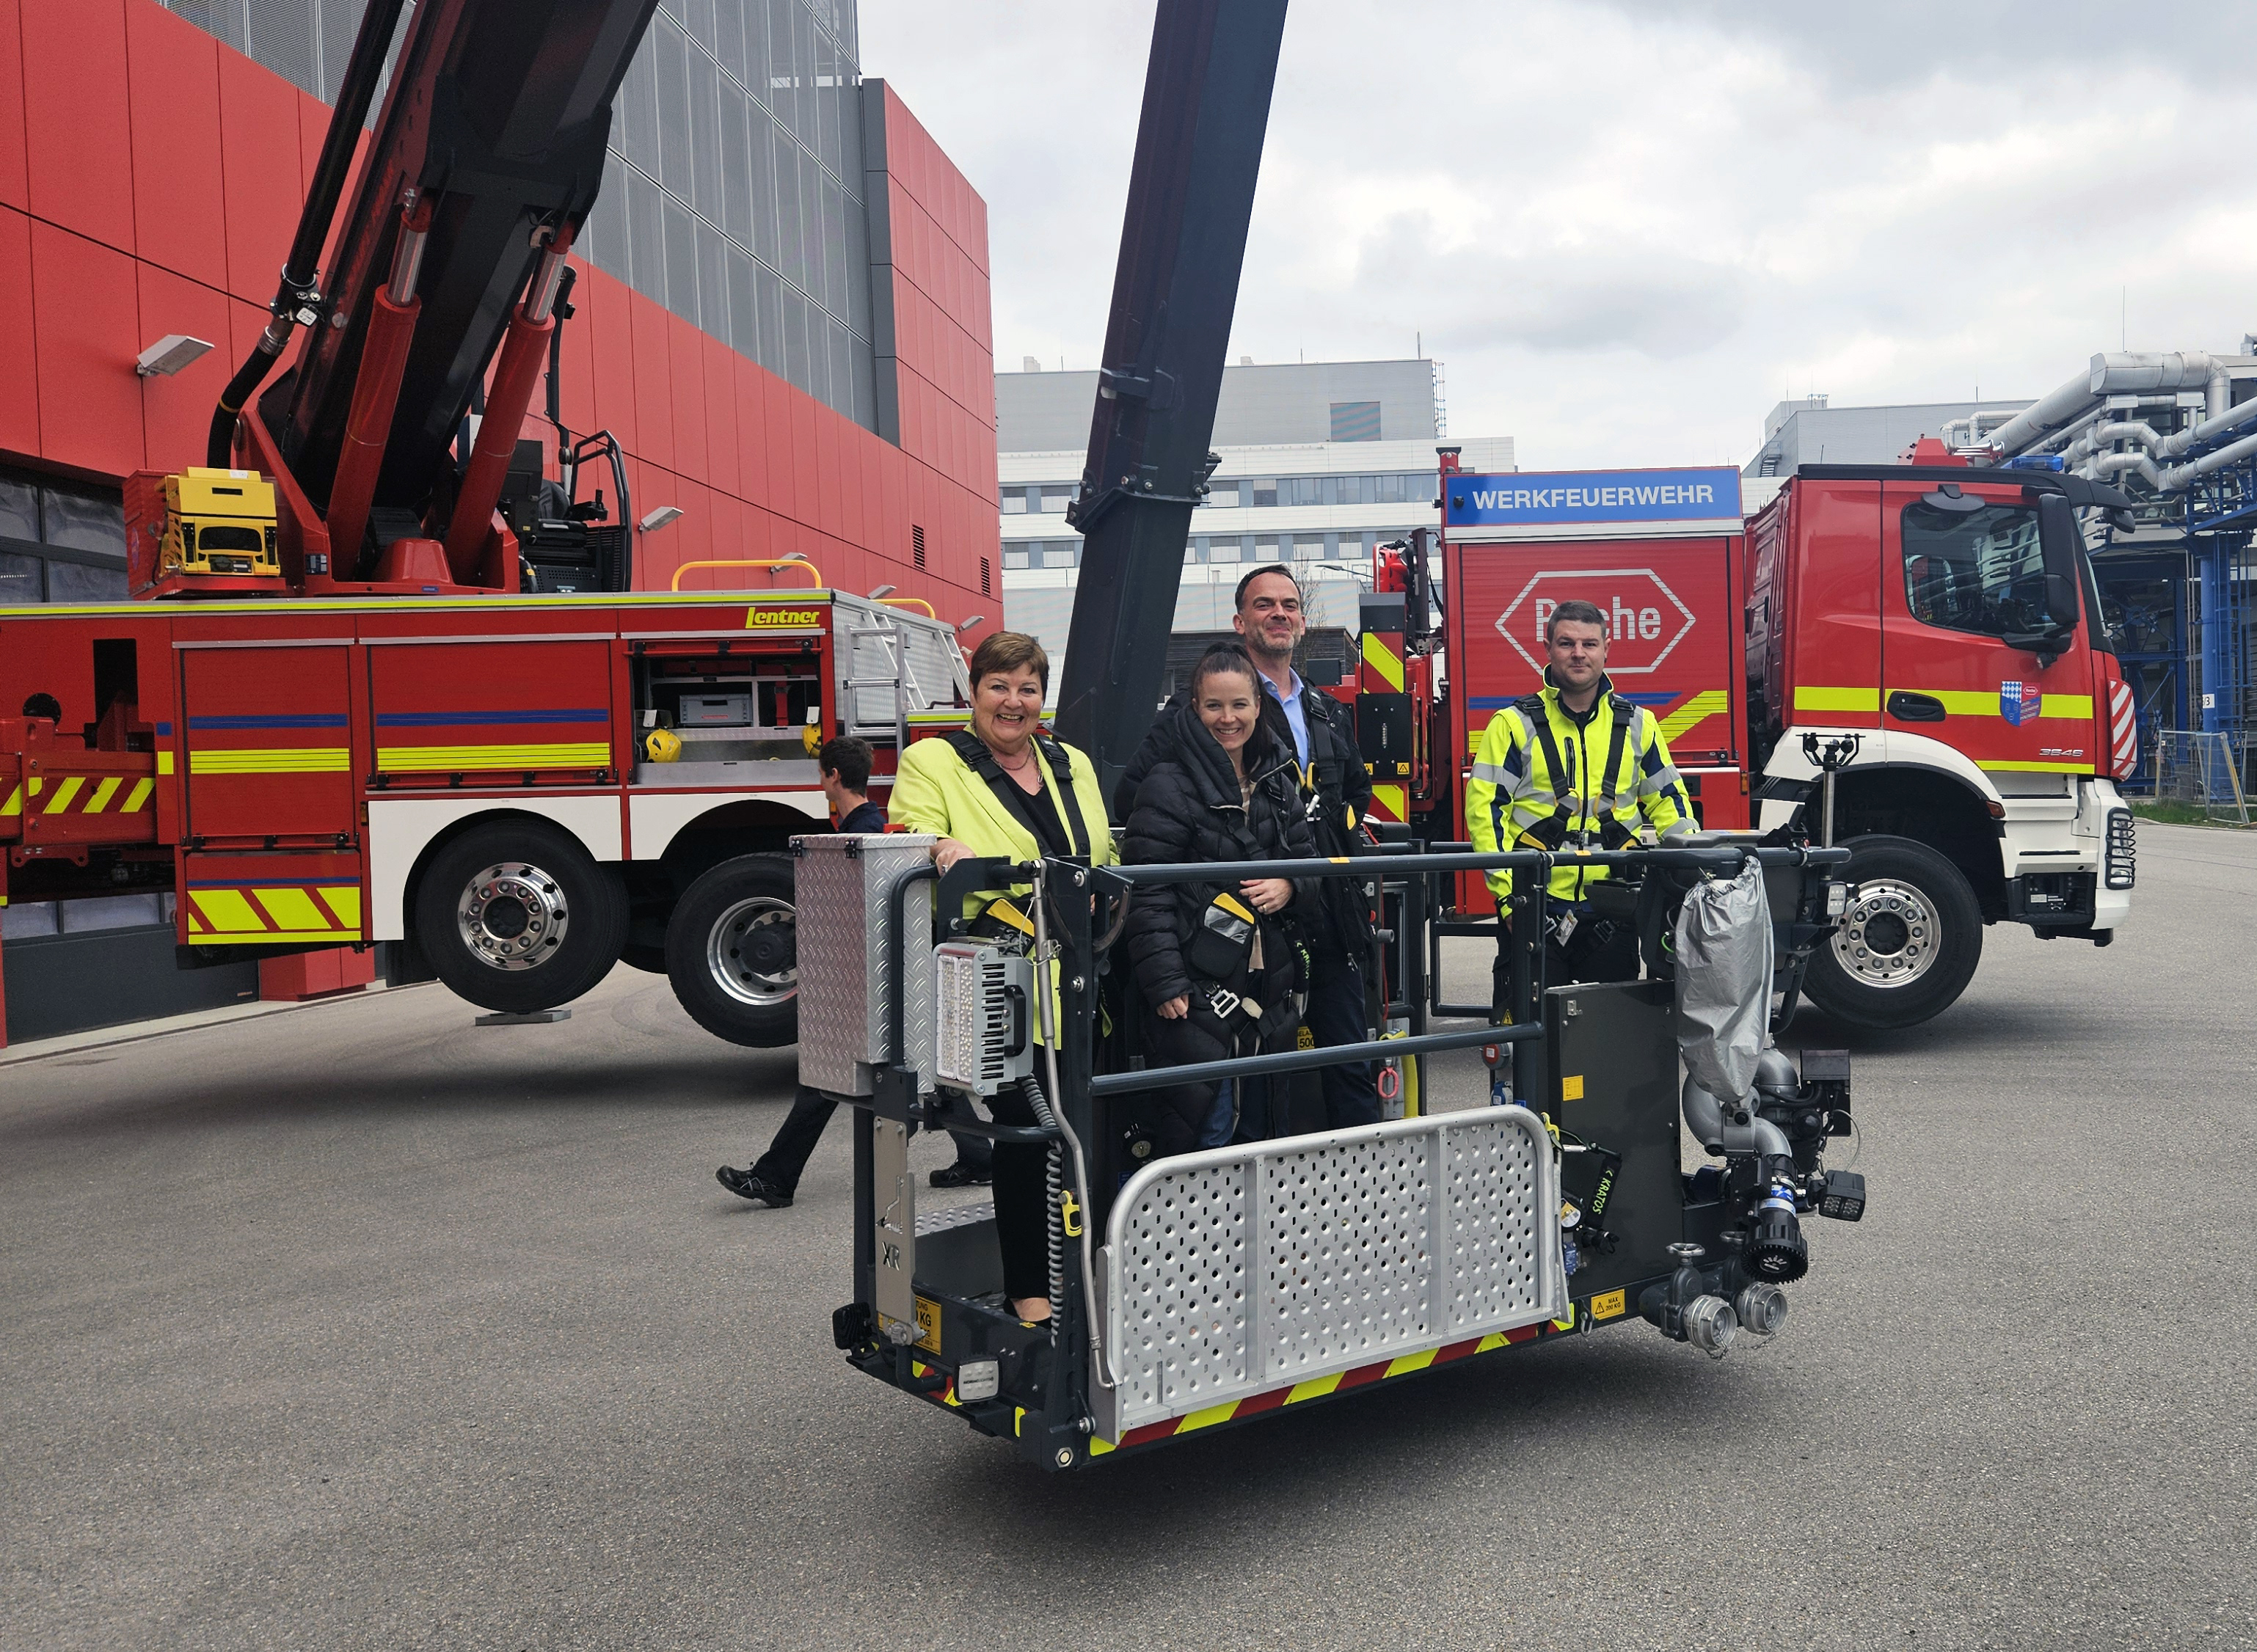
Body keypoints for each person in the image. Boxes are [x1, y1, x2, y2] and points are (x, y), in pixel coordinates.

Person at [889, 632, 1116, 1326]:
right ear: (974, 692)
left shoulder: (1069, 762)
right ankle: (1031, 1296)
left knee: (1086, 1133)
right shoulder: (933, 760)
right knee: (1027, 1139)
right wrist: (939, 844)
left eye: (1028, 688)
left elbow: (1103, 853)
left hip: (1080, 981)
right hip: (999, 985)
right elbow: (907, 836)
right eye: (999, 686)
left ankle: (1085, 1280)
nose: (1013, 702)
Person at [1115, 565, 1377, 1138]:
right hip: (1219, 944)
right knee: (1223, 1099)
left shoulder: (1327, 711)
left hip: (1321, 915)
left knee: (1348, 1061)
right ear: (1240, 621)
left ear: (1302, 622)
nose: (1278, 614)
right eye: (1264, 605)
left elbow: (1354, 793)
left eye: (1288, 604)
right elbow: (1141, 814)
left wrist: (1303, 876)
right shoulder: (1183, 722)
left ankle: (1359, 1193)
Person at [1122, 646, 1317, 1158]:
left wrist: (1290, 886)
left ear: (1258, 705)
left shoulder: (1279, 781)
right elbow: (1149, 892)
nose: (1227, 719)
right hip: (1197, 990)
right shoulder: (1166, 784)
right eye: (1213, 706)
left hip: (1267, 987)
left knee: (1264, 1135)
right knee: (1202, 1135)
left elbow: (1311, 867)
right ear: (1193, 707)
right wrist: (1165, 983)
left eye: (1238, 705)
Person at [1465, 598, 1694, 1003]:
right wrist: (1508, 900)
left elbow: (1669, 803)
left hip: (1614, 908)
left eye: (1589, 644)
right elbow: (1486, 815)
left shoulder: (1640, 724)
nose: (1578, 653)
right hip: (1532, 907)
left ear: (1607, 650)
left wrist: (1694, 875)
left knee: (1610, 1047)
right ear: (1548, 648)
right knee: (1529, 1050)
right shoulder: (1511, 724)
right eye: (1566, 643)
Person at [717, 737, 905, 1207]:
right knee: (896, 1070)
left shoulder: (854, 837)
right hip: (875, 972)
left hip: (865, 976)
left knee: (825, 1077)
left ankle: (776, 1179)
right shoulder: (861, 826)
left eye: (821, 772)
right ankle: (977, 1154)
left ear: (832, 776)